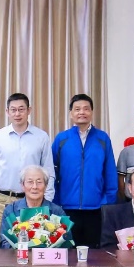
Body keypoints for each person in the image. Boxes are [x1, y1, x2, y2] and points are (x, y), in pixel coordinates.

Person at [0, 93, 55, 247]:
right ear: (7, 111)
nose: (17, 114)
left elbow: (49, 172)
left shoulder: (41, 137)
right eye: (13, 110)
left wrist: (47, 202)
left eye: (21, 109)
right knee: (4, 246)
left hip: (34, 201)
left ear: (29, 110)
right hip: (4, 201)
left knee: (35, 244)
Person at [51, 94, 117, 248]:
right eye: (77, 109)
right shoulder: (62, 139)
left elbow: (110, 173)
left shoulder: (102, 138)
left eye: (86, 109)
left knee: (93, 254)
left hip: (95, 208)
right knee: (67, 252)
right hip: (65, 208)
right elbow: (51, 172)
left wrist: (107, 202)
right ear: (71, 113)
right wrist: (55, 201)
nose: (82, 112)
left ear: (92, 112)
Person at [0, 165, 70, 249]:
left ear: (46, 185)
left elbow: (66, 242)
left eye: (39, 182)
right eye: (30, 182)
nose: (35, 187)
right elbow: (5, 243)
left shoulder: (57, 211)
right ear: (22, 185)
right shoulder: (11, 210)